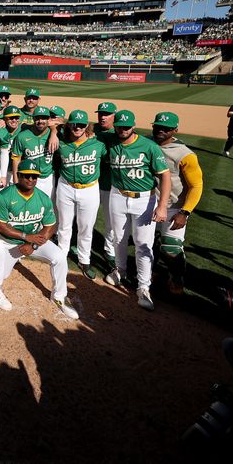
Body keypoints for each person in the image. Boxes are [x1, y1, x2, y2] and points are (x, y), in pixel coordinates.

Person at [0, 160, 79, 320]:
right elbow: (0, 225)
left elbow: (50, 226)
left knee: (58, 257)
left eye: (34, 176)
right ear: (19, 175)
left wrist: (32, 244)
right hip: (8, 244)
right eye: (27, 176)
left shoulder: (43, 198)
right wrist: (25, 237)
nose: (30, 179)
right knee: (0, 276)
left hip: (33, 242)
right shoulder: (4, 196)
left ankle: (59, 296)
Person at [105, 110, 171, 312]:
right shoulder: (111, 141)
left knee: (143, 244)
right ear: (115, 126)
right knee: (118, 238)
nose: (123, 130)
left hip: (144, 199)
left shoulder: (149, 146)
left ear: (134, 126)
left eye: (127, 127)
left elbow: (165, 176)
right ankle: (121, 271)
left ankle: (143, 287)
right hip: (117, 195)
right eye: (120, 126)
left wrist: (161, 206)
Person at [151, 112, 203, 294]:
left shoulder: (185, 154)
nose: (161, 131)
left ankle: (177, 276)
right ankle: (152, 270)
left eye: (166, 129)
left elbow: (196, 185)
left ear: (175, 130)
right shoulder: (146, 143)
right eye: (158, 127)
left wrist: (185, 212)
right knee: (149, 242)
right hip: (148, 203)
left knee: (171, 246)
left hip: (174, 207)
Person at [54, 110, 107, 279]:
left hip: (90, 189)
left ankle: (84, 260)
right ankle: (61, 255)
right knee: (64, 225)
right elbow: (52, 126)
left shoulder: (98, 144)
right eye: (74, 124)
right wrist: (55, 132)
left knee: (85, 227)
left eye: (81, 125)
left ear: (87, 127)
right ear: (69, 125)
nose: (77, 128)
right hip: (66, 187)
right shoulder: (62, 143)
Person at [93, 101, 119, 279]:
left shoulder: (119, 132)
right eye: (101, 113)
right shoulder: (92, 129)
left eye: (107, 114)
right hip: (93, 183)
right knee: (85, 218)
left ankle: (109, 252)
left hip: (112, 186)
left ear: (114, 116)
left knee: (111, 223)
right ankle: (80, 246)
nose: (103, 116)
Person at [11, 106, 56, 199]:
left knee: (49, 207)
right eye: (37, 118)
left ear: (49, 119)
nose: (40, 121)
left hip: (49, 178)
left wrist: (54, 131)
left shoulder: (55, 135)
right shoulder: (22, 136)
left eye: (43, 118)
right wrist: (16, 181)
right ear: (33, 119)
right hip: (29, 178)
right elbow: (16, 159)